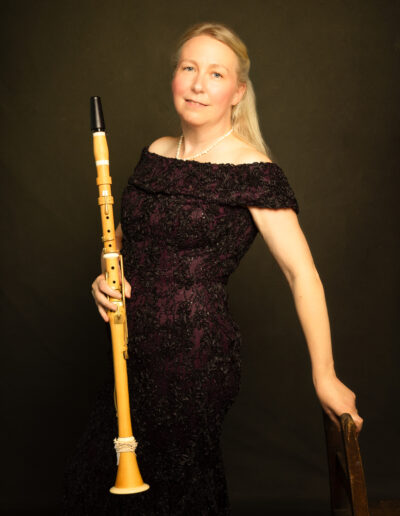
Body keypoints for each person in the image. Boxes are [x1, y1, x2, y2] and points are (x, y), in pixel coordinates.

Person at [63, 21, 363, 515]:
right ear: (174, 77)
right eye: (189, 68)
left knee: (173, 491)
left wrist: (324, 375)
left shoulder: (253, 170)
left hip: (195, 359)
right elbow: (122, 243)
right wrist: (103, 280)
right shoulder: (155, 153)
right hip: (130, 351)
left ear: (238, 92)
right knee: (98, 483)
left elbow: (302, 274)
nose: (198, 84)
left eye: (216, 74)